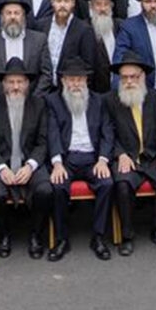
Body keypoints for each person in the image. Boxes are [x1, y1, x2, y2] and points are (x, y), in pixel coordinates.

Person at [42, 63, 115, 260]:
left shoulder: (99, 101)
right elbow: (52, 133)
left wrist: (103, 160)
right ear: (63, 81)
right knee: (57, 186)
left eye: (80, 79)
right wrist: (57, 163)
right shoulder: (53, 101)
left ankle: (98, 237)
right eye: (71, 79)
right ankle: (61, 239)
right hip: (67, 159)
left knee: (107, 184)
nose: (76, 84)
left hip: (93, 158)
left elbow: (107, 132)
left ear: (86, 81)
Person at [0, 59, 50, 258]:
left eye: (20, 82)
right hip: (1, 164)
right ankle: (3, 235)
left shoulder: (39, 105)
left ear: (27, 84)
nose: (15, 87)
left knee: (45, 191)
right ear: (3, 84)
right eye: (10, 82)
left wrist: (30, 166)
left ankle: (36, 235)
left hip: (30, 164)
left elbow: (42, 142)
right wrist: (1, 168)